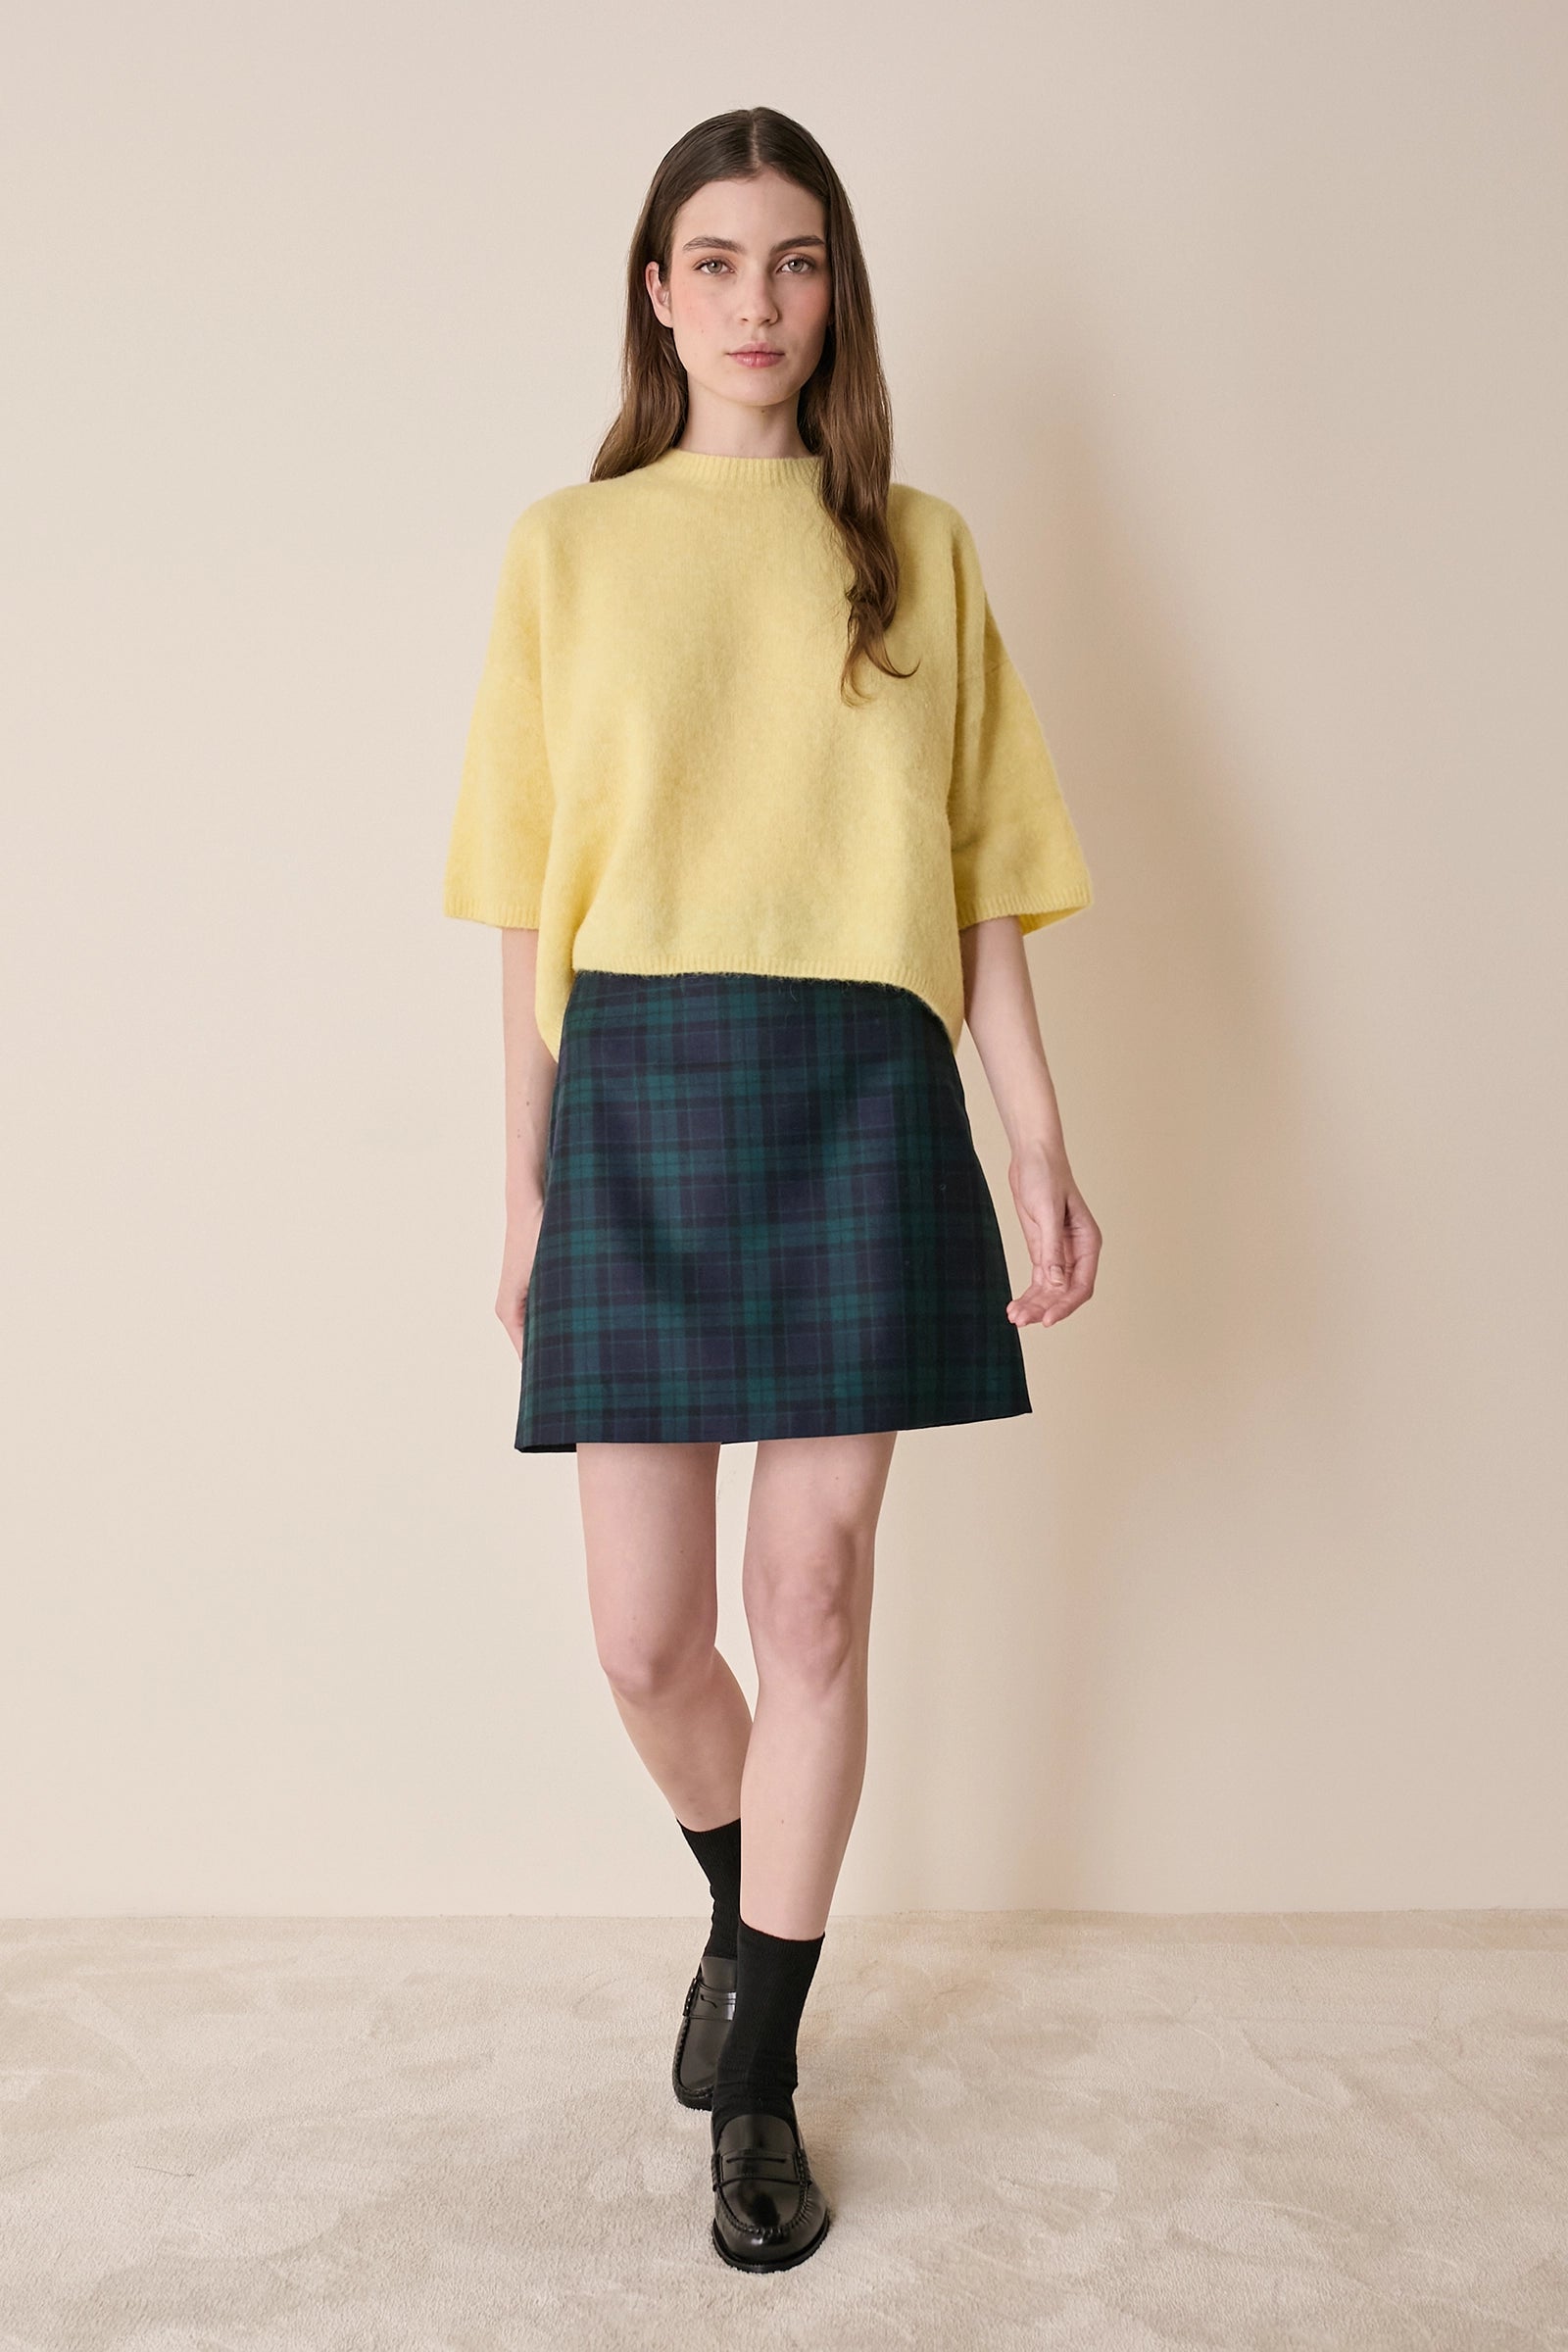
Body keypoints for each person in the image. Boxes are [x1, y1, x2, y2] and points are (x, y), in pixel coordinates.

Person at [442, 105, 1102, 2275]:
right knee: (648, 1638)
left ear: (835, 294)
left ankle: (762, 2073)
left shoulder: (915, 544)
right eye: (715, 261)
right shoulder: (567, 549)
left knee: (807, 1598)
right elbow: (521, 897)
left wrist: (1035, 1137)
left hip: (859, 1090)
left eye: (796, 261)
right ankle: (750, 1907)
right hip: (640, 1087)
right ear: (656, 294)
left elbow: (983, 876)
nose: (757, 301)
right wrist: (523, 1181)